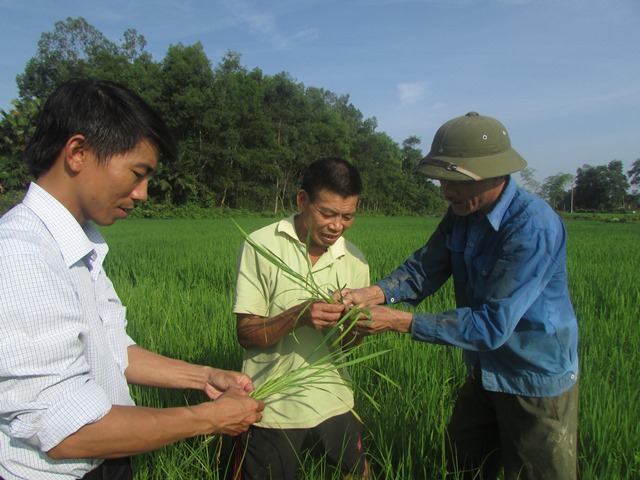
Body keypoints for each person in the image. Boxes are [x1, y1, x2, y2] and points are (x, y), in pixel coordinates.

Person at [0, 79, 264, 480]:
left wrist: (204, 376)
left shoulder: (80, 243)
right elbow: (68, 431)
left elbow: (112, 349)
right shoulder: (21, 255)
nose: (142, 193)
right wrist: (209, 418)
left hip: (108, 457)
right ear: (78, 152)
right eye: (138, 173)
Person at [340, 112, 579, 480]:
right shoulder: (463, 211)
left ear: (492, 174)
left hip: (532, 379)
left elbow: (491, 325)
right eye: (442, 180)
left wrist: (398, 321)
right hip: (483, 371)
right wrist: (373, 294)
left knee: (538, 472)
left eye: (455, 181)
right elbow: (427, 265)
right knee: (462, 462)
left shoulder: (532, 227)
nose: (445, 190)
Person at [233, 157, 370, 479]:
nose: (337, 226)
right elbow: (247, 334)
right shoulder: (262, 245)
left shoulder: (355, 261)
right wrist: (299, 316)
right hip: (272, 406)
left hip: (334, 399)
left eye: (348, 216)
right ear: (302, 200)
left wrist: (354, 326)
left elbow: (349, 347)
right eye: (328, 214)